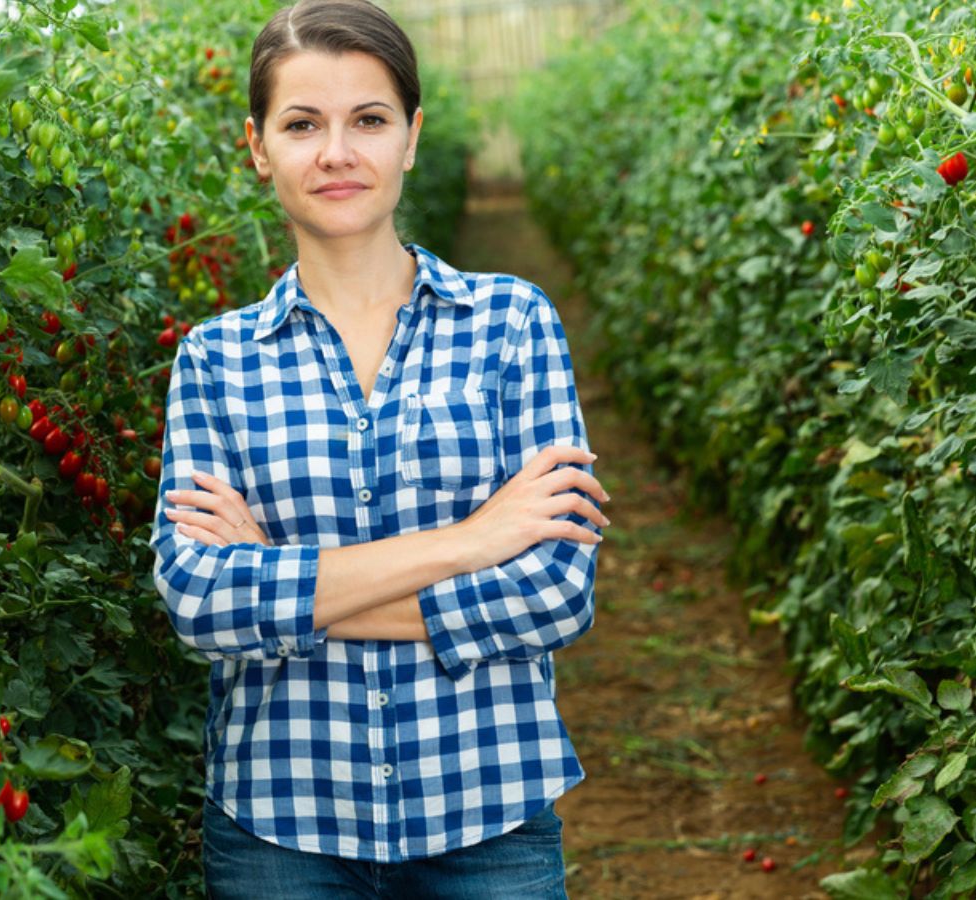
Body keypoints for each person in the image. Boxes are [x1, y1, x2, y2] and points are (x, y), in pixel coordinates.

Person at [149, 1, 611, 896]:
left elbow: (557, 591)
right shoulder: (215, 359)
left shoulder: (511, 324)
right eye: (301, 124)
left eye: (368, 120)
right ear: (258, 147)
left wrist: (281, 579)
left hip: (489, 817)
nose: (336, 152)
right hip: (280, 830)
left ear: (411, 138)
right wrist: (475, 541)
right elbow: (201, 602)